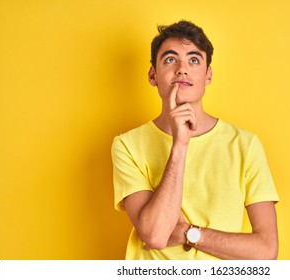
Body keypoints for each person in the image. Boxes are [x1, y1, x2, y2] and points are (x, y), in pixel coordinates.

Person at [111, 20, 279, 260]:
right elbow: (156, 236)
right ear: (152, 74)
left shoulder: (245, 145)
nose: (182, 69)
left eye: (194, 60)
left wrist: (190, 233)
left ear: (208, 75)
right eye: (170, 59)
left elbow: (266, 251)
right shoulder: (127, 145)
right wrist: (180, 145)